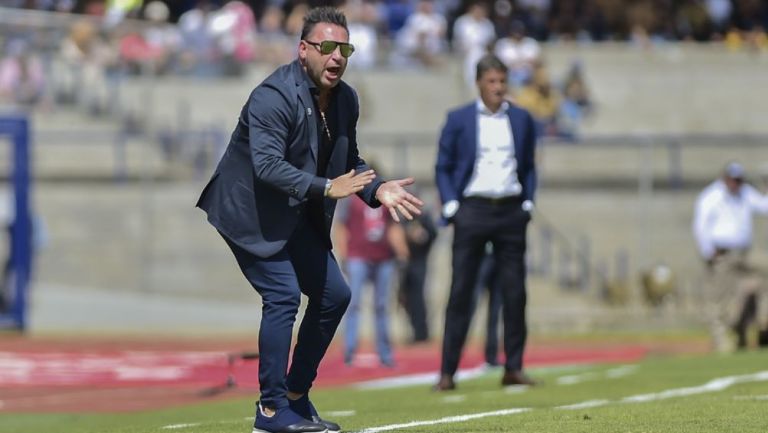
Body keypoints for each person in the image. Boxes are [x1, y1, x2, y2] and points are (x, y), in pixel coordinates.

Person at [196, 7, 423, 433]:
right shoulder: (272, 96)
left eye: (345, 48)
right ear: (304, 51)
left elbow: (349, 161)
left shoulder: (346, 100)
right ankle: (269, 409)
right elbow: (265, 165)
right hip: (249, 213)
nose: (337, 57)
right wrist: (323, 187)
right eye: (327, 47)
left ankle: (296, 398)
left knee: (335, 296)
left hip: (295, 211)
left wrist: (378, 189)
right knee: (282, 295)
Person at [434, 54, 538, 391]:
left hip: (510, 211)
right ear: (479, 82)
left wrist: (527, 201)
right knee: (462, 292)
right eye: (491, 82)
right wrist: (452, 206)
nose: (497, 88)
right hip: (473, 210)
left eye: (502, 82)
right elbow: (443, 165)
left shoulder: (522, 119)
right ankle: (447, 373)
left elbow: (530, 165)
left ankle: (514, 367)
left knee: (515, 293)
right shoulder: (459, 118)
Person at [693, 162, 768, 351]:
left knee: (764, 270)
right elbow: (700, 225)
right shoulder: (711, 196)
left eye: (739, 180)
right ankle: (721, 339)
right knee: (719, 297)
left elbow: (764, 205)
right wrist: (708, 252)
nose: (736, 184)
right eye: (733, 180)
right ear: (725, 179)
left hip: (743, 252)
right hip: (721, 254)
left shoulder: (745, 193)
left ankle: (762, 322)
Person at [334, 192, 409, 368]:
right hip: (357, 256)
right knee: (353, 304)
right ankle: (349, 352)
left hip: (384, 258)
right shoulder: (351, 200)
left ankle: (385, 353)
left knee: (382, 306)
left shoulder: (385, 199)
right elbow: (341, 226)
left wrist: (402, 252)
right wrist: (344, 254)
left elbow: (393, 226)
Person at [398, 204, 437, 343]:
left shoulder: (424, 217)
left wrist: (422, 236)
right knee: (405, 299)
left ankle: (422, 333)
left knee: (418, 298)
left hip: (419, 262)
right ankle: (415, 331)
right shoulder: (402, 218)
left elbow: (432, 234)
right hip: (405, 263)